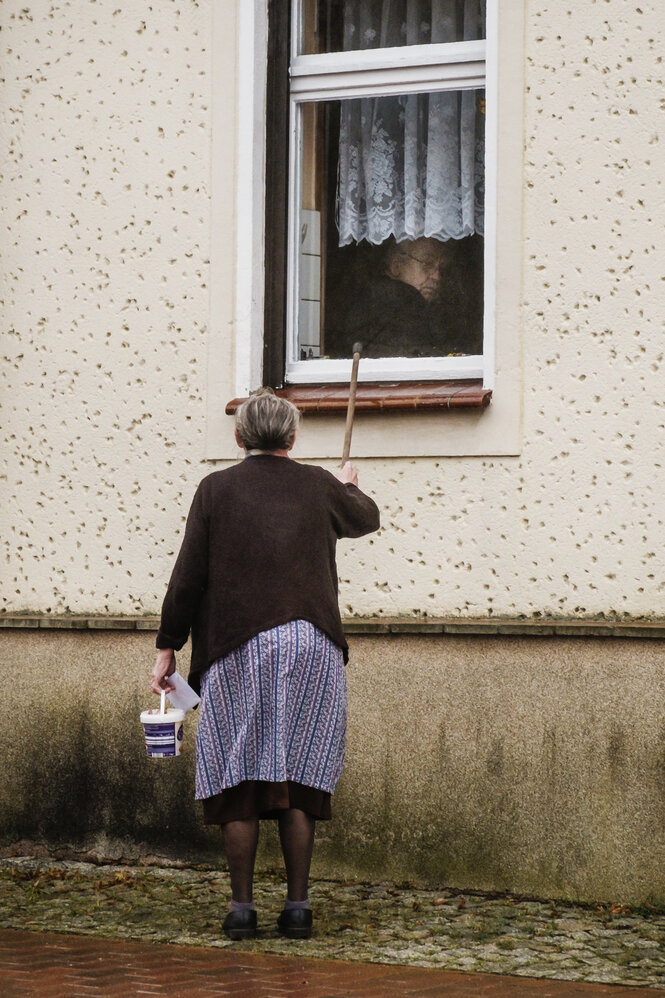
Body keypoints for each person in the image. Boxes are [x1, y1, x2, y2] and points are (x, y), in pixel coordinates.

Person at [151, 388, 380, 941]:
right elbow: (366, 518)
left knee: (238, 774)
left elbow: (188, 578)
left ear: (239, 438)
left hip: (236, 647)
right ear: (293, 437)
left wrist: (168, 644)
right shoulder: (320, 484)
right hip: (312, 644)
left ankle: (241, 909)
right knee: (299, 773)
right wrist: (348, 486)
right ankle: (298, 908)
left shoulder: (215, 490)